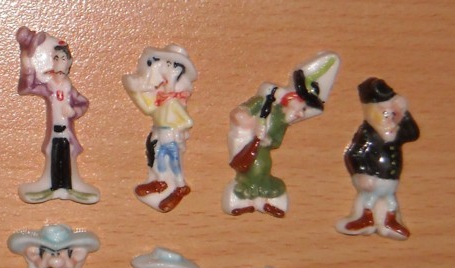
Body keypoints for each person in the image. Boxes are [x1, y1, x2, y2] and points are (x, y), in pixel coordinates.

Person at [222, 52, 340, 217]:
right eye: (302, 108)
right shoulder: (263, 103)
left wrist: (267, 139)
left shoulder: (283, 121)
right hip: (245, 145)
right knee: (252, 172)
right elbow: (238, 114)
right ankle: (244, 200)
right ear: (292, 99)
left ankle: (262, 203)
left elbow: (276, 142)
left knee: (263, 173)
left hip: (261, 151)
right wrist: (250, 123)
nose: (301, 114)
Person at [16, 27, 99, 204]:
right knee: (54, 154)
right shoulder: (49, 85)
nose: (59, 63)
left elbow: (83, 103)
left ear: (69, 62)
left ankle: (68, 186)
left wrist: (74, 112)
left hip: (66, 132)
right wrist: (26, 62)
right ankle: (53, 186)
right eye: (55, 58)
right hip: (54, 131)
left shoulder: (69, 89)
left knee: (67, 155)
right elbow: (27, 87)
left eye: (62, 59)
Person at [336, 78, 419, 240]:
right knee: (368, 201)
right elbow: (354, 154)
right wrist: (360, 173)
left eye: (393, 114)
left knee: (391, 203)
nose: (390, 119)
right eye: (385, 114)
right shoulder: (368, 133)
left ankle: (389, 222)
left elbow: (413, 134)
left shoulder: (394, 133)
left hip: (390, 182)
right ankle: (365, 219)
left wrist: (404, 116)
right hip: (374, 180)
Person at [123, 44, 198, 212]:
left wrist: (176, 130)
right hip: (160, 132)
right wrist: (135, 92)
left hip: (171, 135)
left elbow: (186, 121)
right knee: (157, 157)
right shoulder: (162, 98)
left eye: (170, 66)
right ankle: (160, 182)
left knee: (174, 162)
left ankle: (179, 186)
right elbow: (149, 108)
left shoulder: (173, 101)